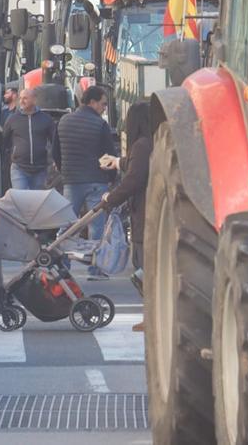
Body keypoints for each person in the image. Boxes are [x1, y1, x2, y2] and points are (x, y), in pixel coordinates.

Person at [54, 85, 118, 280]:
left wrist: (63, 169)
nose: (104, 108)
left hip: (71, 181)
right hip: (96, 181)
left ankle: (62, 266)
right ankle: (96, 269)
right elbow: (109, 154)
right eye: (103, 104)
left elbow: (55, 151)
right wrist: (112, 179)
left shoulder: (64, 121)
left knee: (67, 225)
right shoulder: (100, 125)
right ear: (92, 102)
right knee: (97, 227)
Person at [100, 102, 152, 332]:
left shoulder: (141, 145)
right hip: (149, 210)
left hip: (145, 212)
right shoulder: (154, 142)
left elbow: (134, 179)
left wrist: (111, 199)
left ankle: (151, 316)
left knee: (144, 268)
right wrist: (118, 161)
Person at [2, 87, 55, 190]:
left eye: (25, 98)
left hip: (40, 170)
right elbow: (4, 141)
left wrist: (54, 159)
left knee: (36, 202)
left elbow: (54, 140)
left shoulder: (45, 119)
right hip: (19, 168)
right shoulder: (13, 119)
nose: (21, 101)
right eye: (20, 98)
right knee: (21, 199)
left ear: (34, 100)